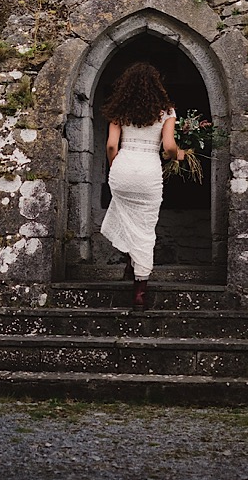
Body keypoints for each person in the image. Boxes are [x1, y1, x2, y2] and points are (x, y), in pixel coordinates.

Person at [99, 62, 185, 309]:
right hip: (148, 170)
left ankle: (130, 263)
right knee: (145, 228)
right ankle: (140, 291)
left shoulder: (119, 111)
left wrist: (115, 166)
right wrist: (176, 155)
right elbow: (168, 147)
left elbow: (111, 146)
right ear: (157, 86)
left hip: (123, 169)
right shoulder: (166, 111)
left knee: (126, 217)